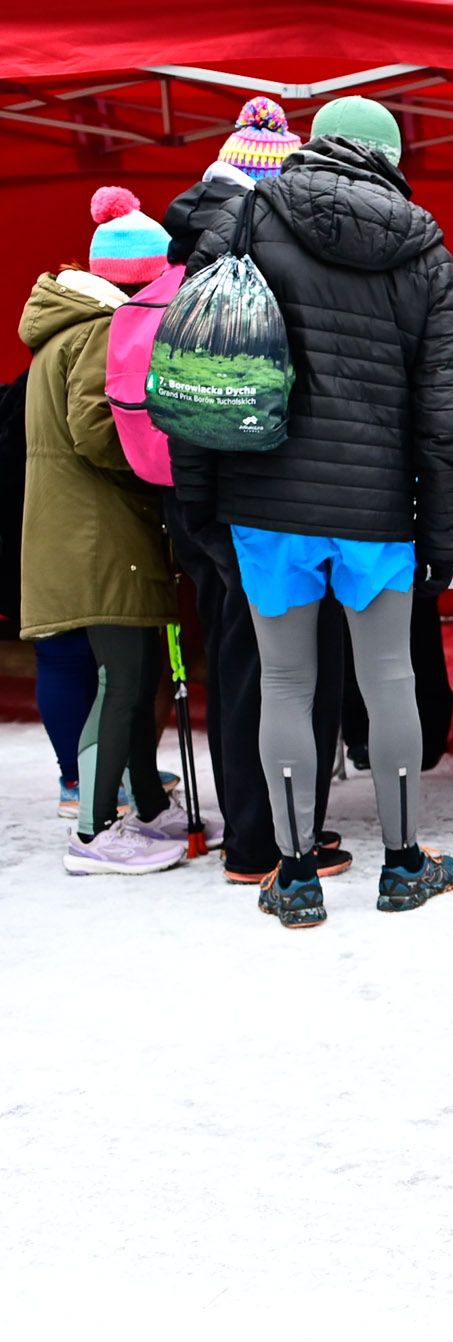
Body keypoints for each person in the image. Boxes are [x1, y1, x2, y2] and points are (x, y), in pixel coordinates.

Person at [174, 95, 453, 928]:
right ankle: (405, 863)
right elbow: (447, 414)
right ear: (388, 156)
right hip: (377, 509)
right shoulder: (424, 247)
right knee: (390, 681)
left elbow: (199, 365)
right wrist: (441, 534)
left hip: (265, 502)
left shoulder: (243, 219)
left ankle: (295, 872)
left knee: (283, 681)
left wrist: (200, 503)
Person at [162, 98, 355, 883]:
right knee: (284, 672)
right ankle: (271, 841)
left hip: (208, 489)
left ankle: (270, 831)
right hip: (276, 495)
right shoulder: (251, 251)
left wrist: (197, 506)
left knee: (247, 668)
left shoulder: (189, 252)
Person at [19, 187, 195, 874]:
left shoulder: (63, 329)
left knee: (136, 669)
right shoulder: (99, 332)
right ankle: (93, 832)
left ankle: (146, 806)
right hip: (98, 535)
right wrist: (170, 459)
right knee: (120, 679)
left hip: (84, 530)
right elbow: (102, 434)